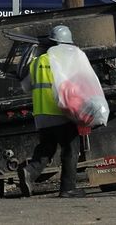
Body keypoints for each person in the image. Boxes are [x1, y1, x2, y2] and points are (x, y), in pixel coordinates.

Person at [18, 25, 85, 198]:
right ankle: (68, 188)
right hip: (61, 114)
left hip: (41, 116)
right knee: (71, 150)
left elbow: (25, 87)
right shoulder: (66, 62)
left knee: (46, 148)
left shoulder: (38, 61)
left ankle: (29, 172)